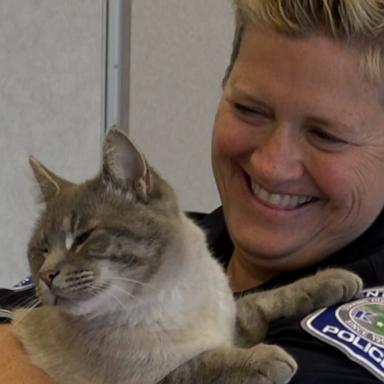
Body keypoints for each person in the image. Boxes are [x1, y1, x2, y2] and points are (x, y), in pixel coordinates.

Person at [1, 0, 384, 382]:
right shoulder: (179, 237)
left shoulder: (360, 331)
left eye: (325, 135)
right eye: (250, 109)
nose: (271, 165)